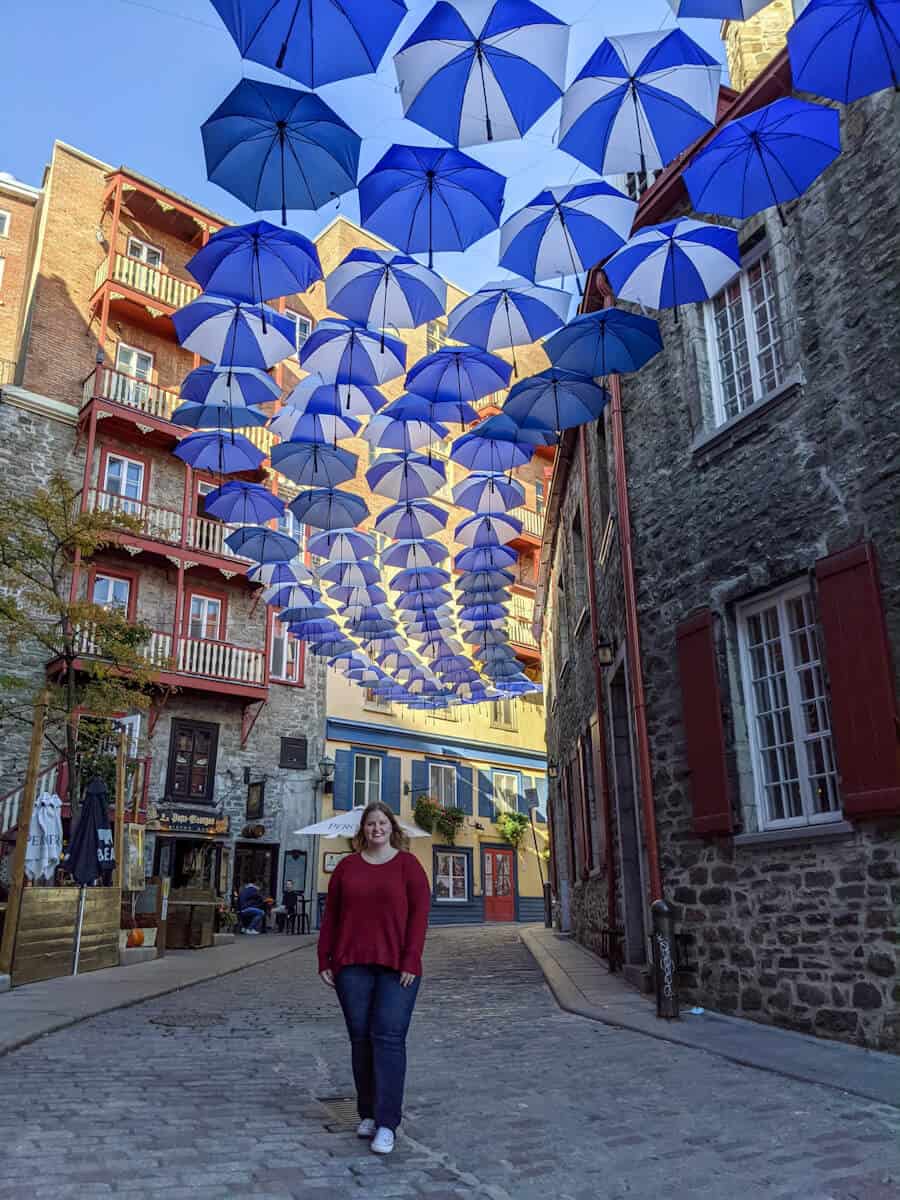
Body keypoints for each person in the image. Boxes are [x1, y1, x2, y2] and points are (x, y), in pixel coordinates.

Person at [318, 801, 430, 1157]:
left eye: (382, 823)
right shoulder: (347, 868)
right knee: (361, 1039)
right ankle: (367, 1112)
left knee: (389, 1038)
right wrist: (326, 958)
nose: (376, 829)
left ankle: (386, 1123)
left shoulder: (408, 866)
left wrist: (411, 958)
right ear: (362, 830)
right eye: (370, 824)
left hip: (397, 967)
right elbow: (331, 915)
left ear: (391, 827)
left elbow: (420, 916)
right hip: (352, 966)